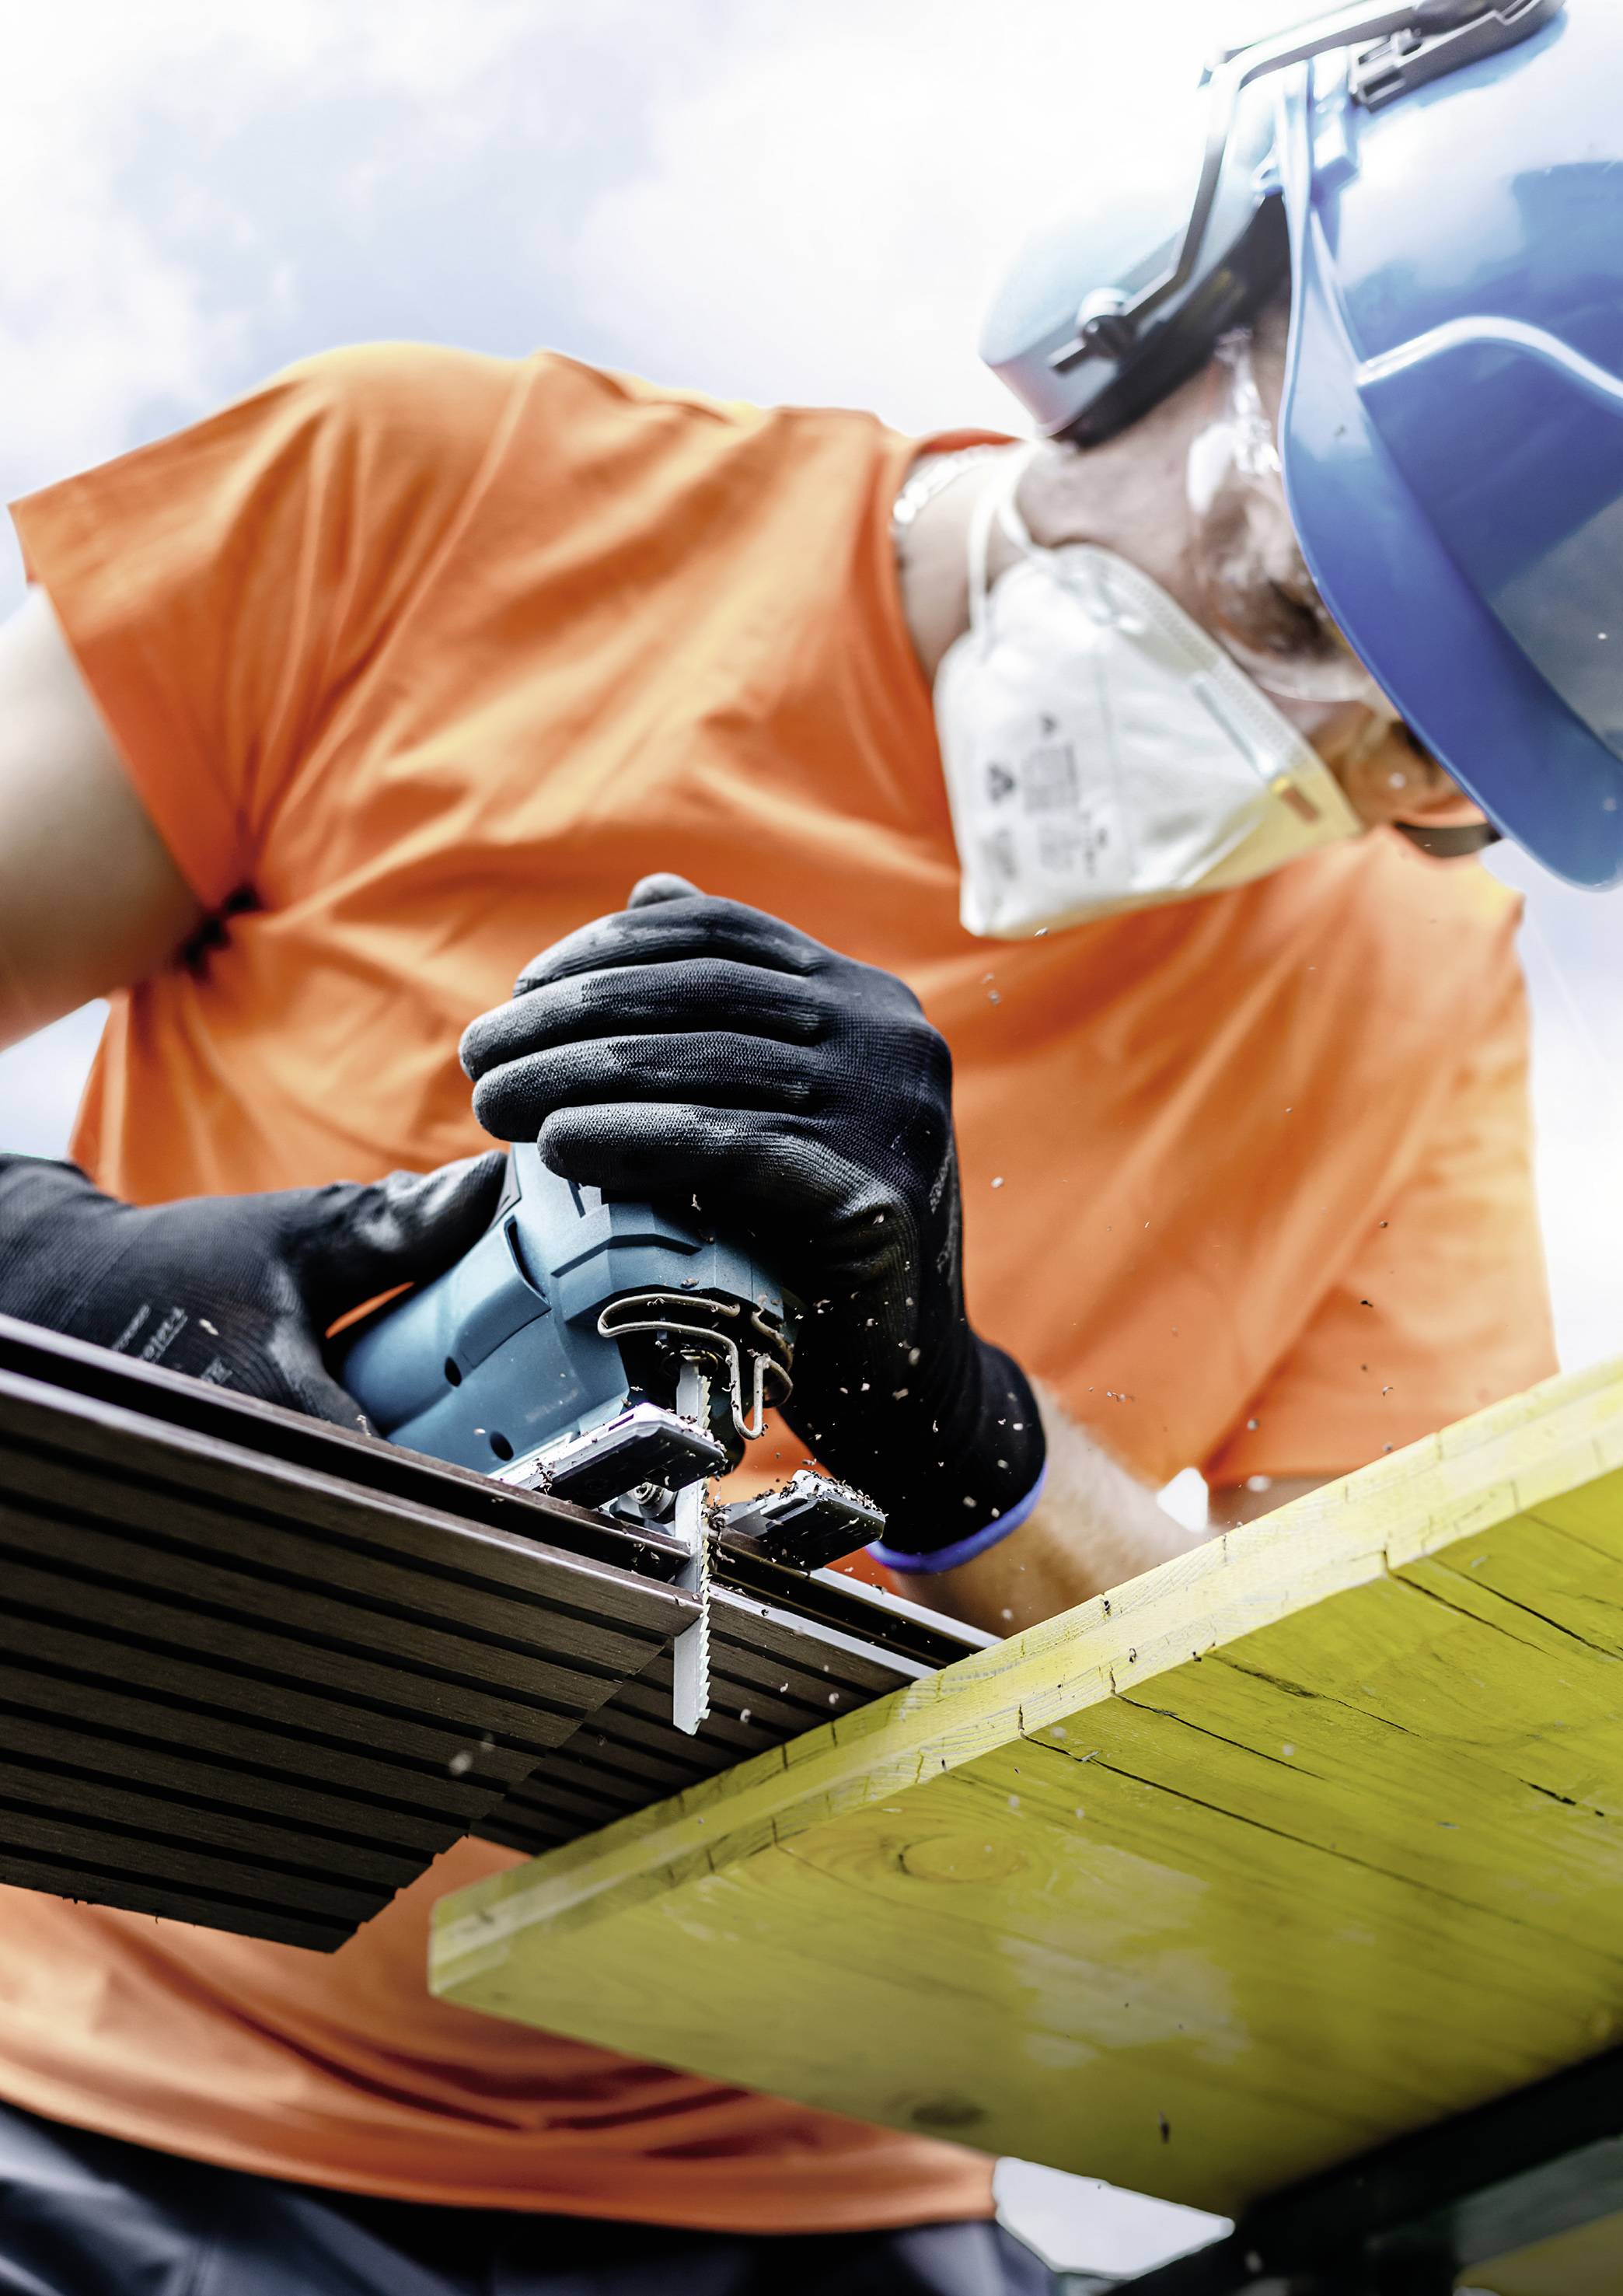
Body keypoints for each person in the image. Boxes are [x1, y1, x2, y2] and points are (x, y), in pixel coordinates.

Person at [0, 1, 1611, 2287]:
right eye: (1290, 598)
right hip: (93, 2083)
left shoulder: (1413, 999)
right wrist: (44, 1276)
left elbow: (1354, 1763)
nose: (1308, 761)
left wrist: (962, 1441)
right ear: (1157, 308)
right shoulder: (426, 501)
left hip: (800, 2189)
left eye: (1431, 764)